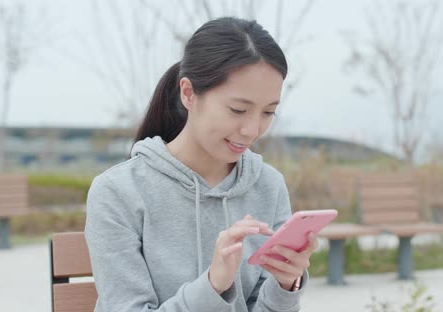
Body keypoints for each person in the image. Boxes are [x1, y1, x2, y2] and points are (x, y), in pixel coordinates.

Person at [85, 17, 316, 312]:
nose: (252, 130)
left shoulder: (268, 186)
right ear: (189, 93)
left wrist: (285, 285)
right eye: (238, 109)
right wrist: (212, 286)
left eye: (268, 112)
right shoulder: (119, 192)